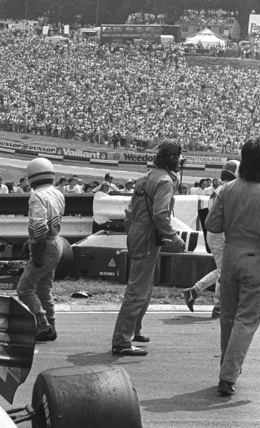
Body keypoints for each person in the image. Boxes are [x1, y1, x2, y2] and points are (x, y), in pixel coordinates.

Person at [111, 140, 186, 356]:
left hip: (137, 230)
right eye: (179, 156)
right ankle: (121, 341)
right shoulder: (164, 182)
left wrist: (134, 232)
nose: (181, 160)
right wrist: (174, 237)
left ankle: (134, 329)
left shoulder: (146, 177)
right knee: (138, 288)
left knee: (146, 285)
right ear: (174, 158)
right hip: (146, 234)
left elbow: (129, 212)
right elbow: (161, 215)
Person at [205, 137, 260, 397]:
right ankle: (228, 376)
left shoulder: (228, 189)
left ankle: (226, 368)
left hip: (230, 256)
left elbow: (213, 226)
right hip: (256, 259)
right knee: (246, 320)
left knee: (227, 316)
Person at [182, 160, 240, 318]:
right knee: (225, 271)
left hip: (214, 232)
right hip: (220, 233)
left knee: (224, 269)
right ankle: (217, 306)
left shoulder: (219, 189)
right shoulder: (228, 189)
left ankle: (195, 291)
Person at [16, 158, 65, 342]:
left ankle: (43, 324)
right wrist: (29, 242)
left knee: (24, 288)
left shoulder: (37, 196)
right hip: (56, 243)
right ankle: (51, 327)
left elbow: (40, 227)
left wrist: (35, 252)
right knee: (44, 289)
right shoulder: (58, 193)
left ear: (31, 176)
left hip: (44, 246)